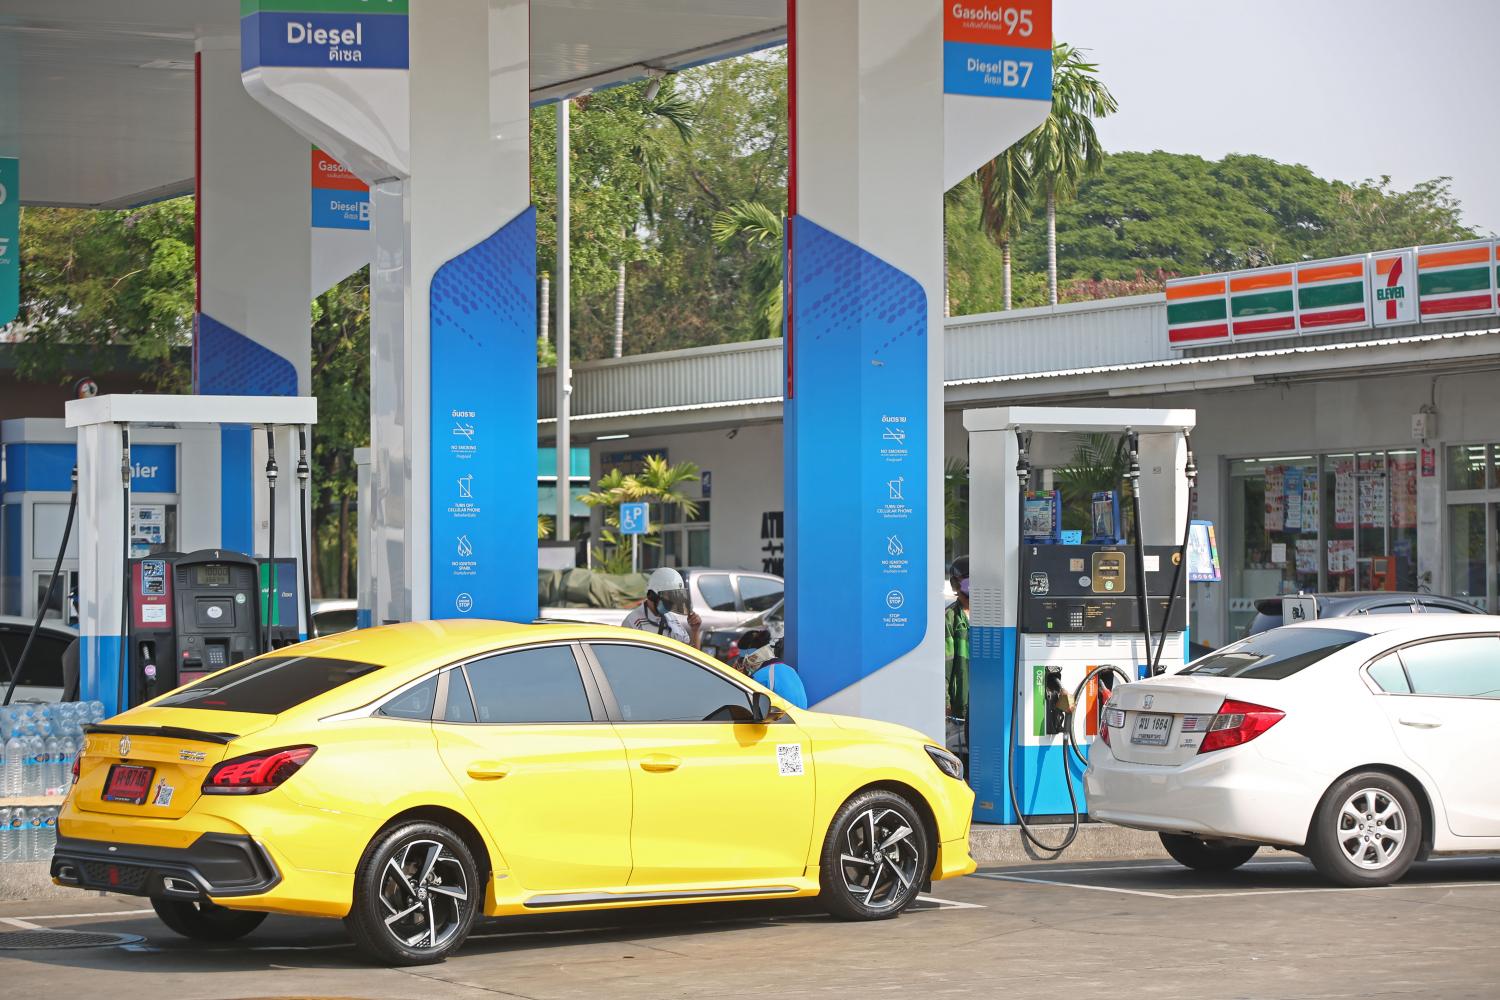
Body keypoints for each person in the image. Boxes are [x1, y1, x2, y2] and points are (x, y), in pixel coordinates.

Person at [622, 566, 702, 648]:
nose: (672, 601)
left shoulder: (672, 620)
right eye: (669, 596)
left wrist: (695, 630)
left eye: (675, 597)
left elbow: (690, 654)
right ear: (652, 595)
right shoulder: (633, 623)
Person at [945, 556, 970, 762]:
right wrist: (945, 702)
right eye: (968, 580)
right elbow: (945, 665)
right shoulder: (950, 618)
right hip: (961, 709)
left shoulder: (996, 614)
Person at [741, 638, 808, 710]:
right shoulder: (790, 669)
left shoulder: (761, 675)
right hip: (802, 714)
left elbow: (748, 700)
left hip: (785, 717)